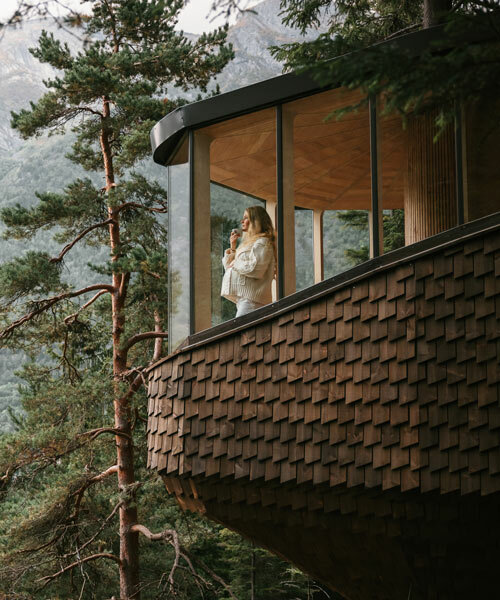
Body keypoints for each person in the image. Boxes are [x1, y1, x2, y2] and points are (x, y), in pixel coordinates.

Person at [221, 205, 276, 318]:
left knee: (239, 333)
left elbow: (256, 269)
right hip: (245, 300)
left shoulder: (263, 242)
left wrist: (235, 263)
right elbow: (229, 268)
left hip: (252, 301)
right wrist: (233, 247)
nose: (242, 221)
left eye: (246, 217)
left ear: (256, 221)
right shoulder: (249, 243)